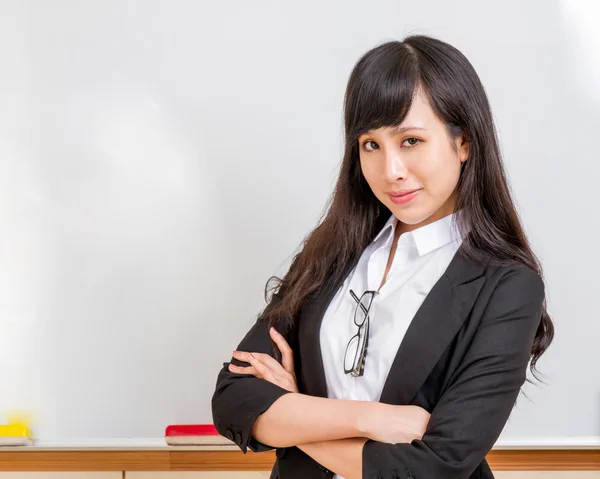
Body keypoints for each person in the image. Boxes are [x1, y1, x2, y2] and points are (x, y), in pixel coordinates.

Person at [211, 34, 554, 479]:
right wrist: (369, 418)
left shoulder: (507, 285)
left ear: (463, 142)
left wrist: (296, 415)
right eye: (371, 144)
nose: (390, 170)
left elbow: (436, 466)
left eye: (410, 141)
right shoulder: (332, 250)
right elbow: (234, 399)